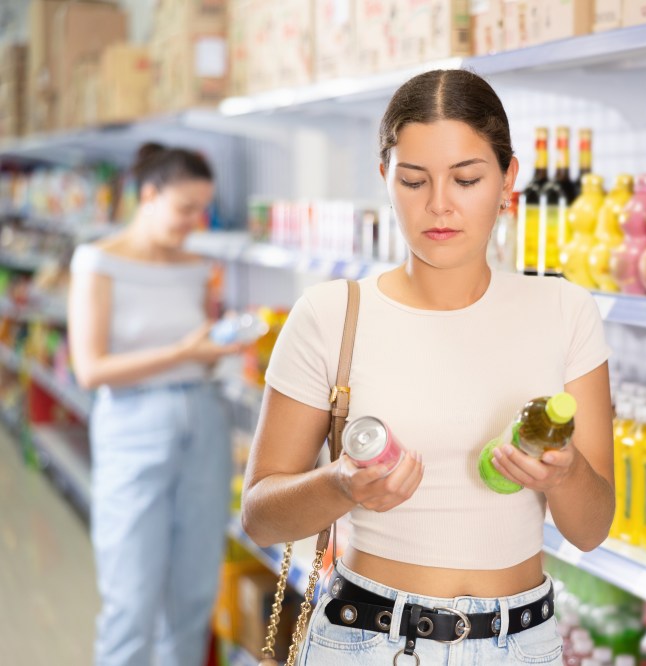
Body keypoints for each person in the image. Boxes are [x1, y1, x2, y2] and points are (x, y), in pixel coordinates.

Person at [241, 69, 615, 665]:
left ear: (507, 178)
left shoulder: (565, 311)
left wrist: (564, 477)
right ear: (385, 176)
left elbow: (592, 530)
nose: (439, 204)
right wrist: (340, 485)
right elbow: (260, 515)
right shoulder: (331, 314)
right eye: (414, 180)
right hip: (368, 640)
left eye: (467, 178)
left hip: (523, 644)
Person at [68, 144, 241, 666]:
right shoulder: (98, 261)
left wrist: (220, 350)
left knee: (192, 595)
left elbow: (201, 352)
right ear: (148, 194)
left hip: (203, 421)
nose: (195, 222)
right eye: (185, 208)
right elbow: (90, 369)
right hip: (132, 422)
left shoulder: (196, 266)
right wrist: (183, 352)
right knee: (131, 599)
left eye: (203, 210)